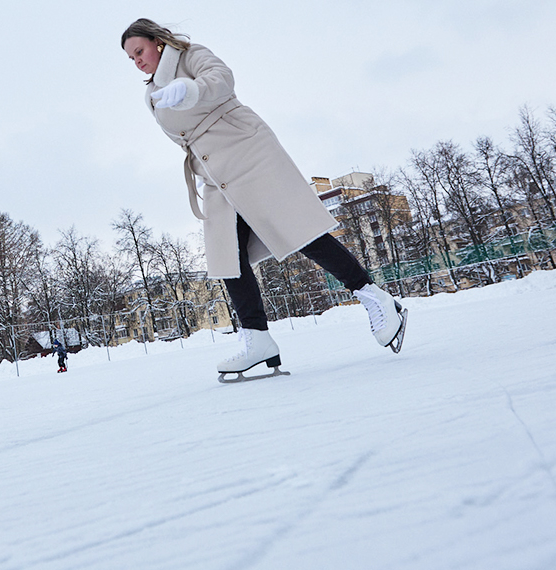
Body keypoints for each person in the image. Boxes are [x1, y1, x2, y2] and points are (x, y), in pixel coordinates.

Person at [121, 19, 408, 377]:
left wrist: (191, 89)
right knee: (228, 256)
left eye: (139, 51)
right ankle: (257, 337)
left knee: (297, 230)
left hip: (247, 152)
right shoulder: (151, 93)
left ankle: (375, 297)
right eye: (130, 58)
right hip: (215, 173)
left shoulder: (190, 57)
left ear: (158, 42)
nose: (137, 61)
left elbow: (222, 79)